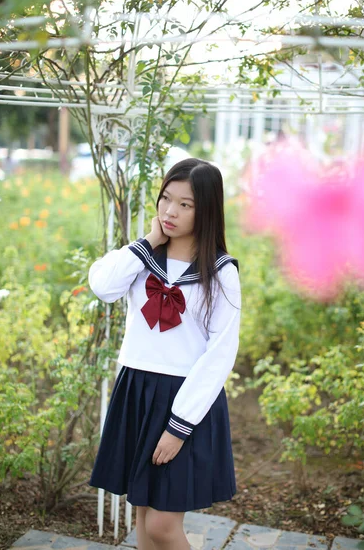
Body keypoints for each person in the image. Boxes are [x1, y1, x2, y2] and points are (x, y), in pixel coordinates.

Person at [88, 158, 241, 550]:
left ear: (206, 209)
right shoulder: (143, 259)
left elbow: (220, 354)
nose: (170, 211)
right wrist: (147, 243)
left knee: (161, 525)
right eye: (165, 199)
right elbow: (103, 285)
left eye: (185, 204)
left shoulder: (220, 273)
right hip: (138, 390)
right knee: (142, 513)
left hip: (186, 400)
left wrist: (179, 426)